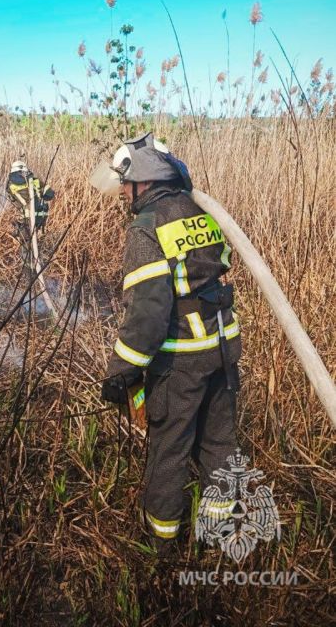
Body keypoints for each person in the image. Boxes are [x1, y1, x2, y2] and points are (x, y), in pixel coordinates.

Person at [90, 132, 241, 554]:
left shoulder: (146, 228)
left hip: (182, 359)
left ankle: (161, 549)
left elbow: (147, 315)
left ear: (143, 181)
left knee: (169, 452)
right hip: (224, 346)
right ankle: (218, 536)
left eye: (124, 182)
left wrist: (121, 373)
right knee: (219, 444)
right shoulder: (198, 210)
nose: (120, 191)